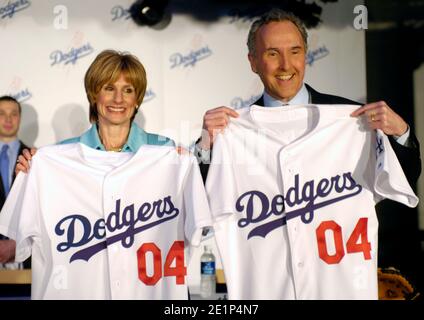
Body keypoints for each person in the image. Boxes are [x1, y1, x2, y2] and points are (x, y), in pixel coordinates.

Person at [2, 49, 212, 299]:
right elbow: (19, 244)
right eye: (109, 88)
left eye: (128, 90)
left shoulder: (166, 152)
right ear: (94, 93)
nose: (118, 99)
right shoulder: (55, 158)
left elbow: (200, 216)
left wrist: (194, 156)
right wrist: (29, 174)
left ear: (137, 99)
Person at [195, 9, 421, 184]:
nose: (285, 65)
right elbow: (201, 195)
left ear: (305, 55)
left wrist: (401, 134)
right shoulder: (234, 130)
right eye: (273, 53)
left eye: (295, 52)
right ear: (253, 62)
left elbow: (405, 180)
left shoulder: (354, 120)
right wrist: (206, 146)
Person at [0, 96, 31, 270]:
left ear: (19, 118)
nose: (8, 119)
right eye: (2, 113)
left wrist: (16, 244)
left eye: (13, 114)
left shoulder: (36, 159)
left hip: (23, 255)